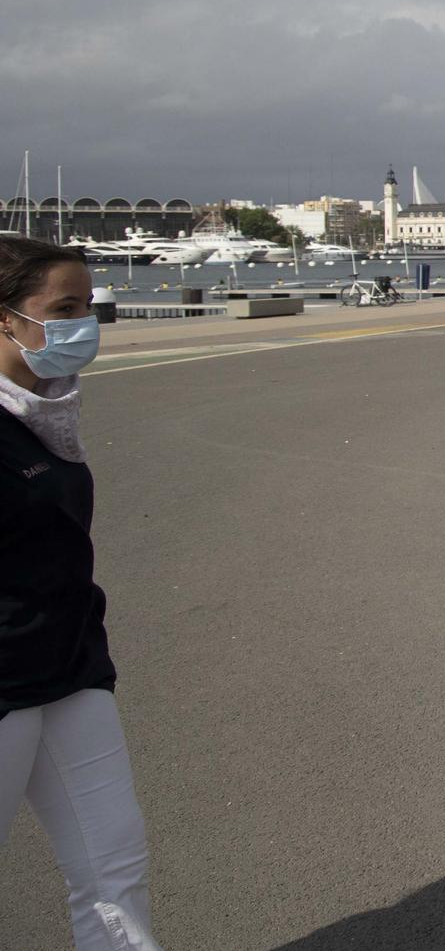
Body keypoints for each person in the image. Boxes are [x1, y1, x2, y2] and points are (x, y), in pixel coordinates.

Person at [0, 238, 164, 951]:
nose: (83, 324)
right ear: (6, 319)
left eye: (86, 306)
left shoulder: (48, 409)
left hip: (70, 668)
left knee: (113, 863)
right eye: (62, 309)